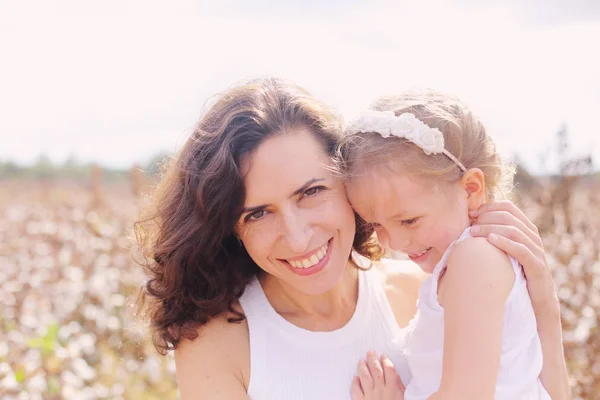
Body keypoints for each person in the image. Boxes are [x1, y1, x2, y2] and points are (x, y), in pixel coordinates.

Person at [134, 78, 568, 400]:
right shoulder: (221, 343)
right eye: (258, 213)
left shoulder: (424, 288)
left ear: (349, 184)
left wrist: (543, 307)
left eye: (311, 192)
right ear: (229, 225)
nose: (298, 236)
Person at [340, 90, 567, 399]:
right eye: (376, 224)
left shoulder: (475, 258)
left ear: (471, 189)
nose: (394, 242)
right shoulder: (467, 262)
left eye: (409, 221)